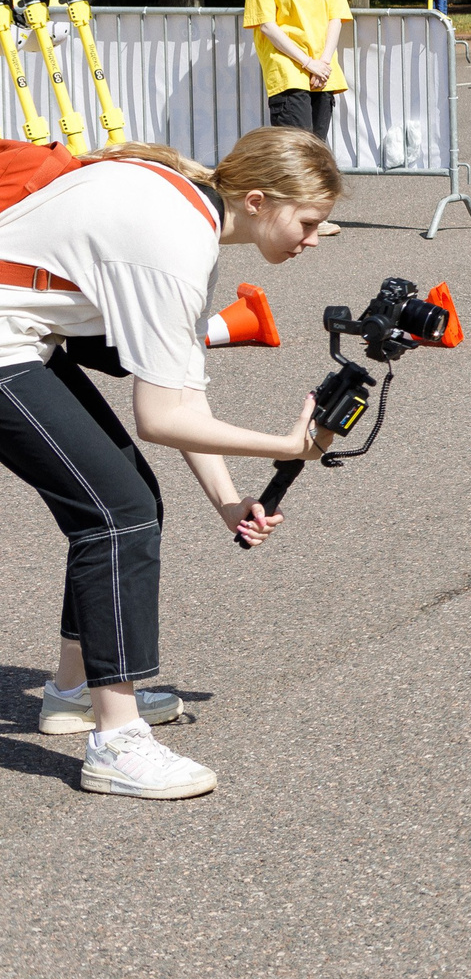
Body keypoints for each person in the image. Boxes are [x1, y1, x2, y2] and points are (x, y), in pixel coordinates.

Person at [3, 127, 342, 797]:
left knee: (129, 501)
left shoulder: (188, 214)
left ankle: (74, 690)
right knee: (118, 515)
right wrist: (287, 445)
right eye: (307, 222)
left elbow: (183, 393)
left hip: (23, 333)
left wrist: (228, 500)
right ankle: (116, 742)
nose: (312, 238)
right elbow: (159, 418)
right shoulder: (176, 243)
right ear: (256, 200)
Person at [242, 0, 350, 237]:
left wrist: (322, 63)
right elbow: (267, 25)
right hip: (288, 69)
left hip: (322, 70)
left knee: (316, 147)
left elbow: (336, 16)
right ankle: (289, 218)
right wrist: (307, 62)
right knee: (295, 148)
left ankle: (310, 217)